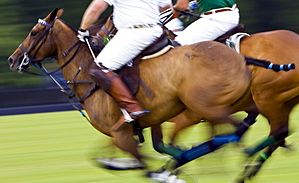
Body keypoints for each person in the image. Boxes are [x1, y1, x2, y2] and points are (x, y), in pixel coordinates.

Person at [77, 0, 171, 129]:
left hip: (133, 33)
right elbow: (166, 6)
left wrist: (82, 30)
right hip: (156, 30)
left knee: (99, 68)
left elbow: (96, 8)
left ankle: (132, 108)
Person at [172, 0, 240, 45]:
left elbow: (181, 6)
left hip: (217, 18)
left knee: (179, 44)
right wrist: (193, 5)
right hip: (233, 14)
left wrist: (175, 10)